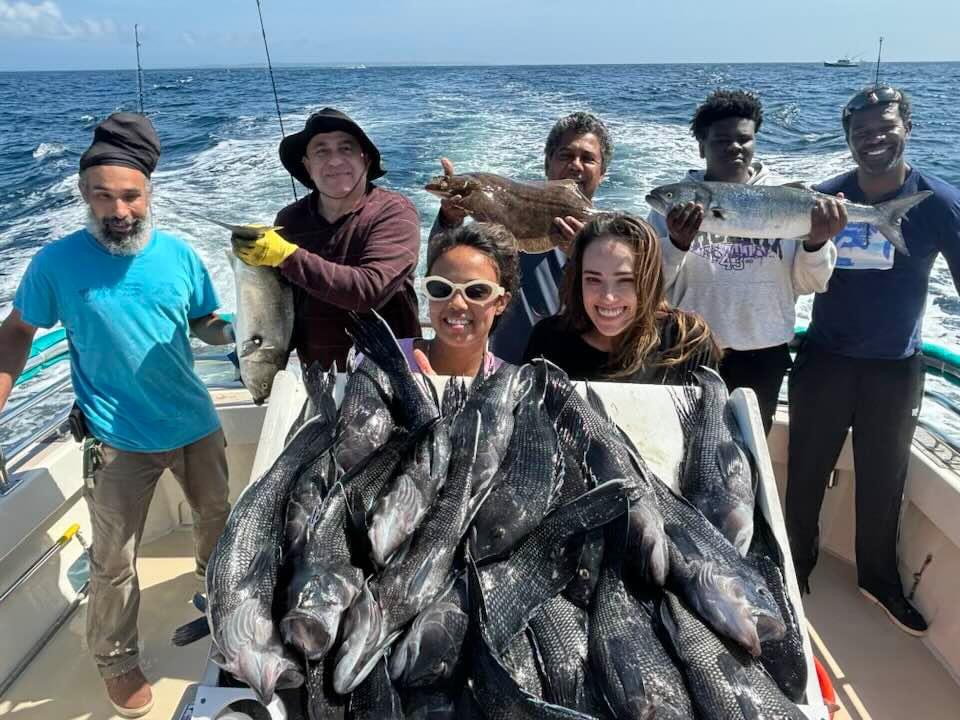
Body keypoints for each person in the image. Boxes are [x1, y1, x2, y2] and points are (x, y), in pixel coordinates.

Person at [0, 113, 234, 717]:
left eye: (129, 195)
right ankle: (115, 658)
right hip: (117, 438)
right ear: (83, 195)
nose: (118, 209)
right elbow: (16, 334)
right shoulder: (55, 264)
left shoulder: (180, 256)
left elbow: (205, 319)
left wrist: (232, 328)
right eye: (102, 195)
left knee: (218, 520)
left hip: (195, 422)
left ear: (150, 193)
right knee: (113, 560)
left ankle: (218, 598)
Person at [786, 85, 960, 637]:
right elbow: (792, 274)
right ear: (848, 140)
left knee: (885, 483)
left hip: (895, 369)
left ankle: (878, 579)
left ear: (907, 126)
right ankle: (791, 571)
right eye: (861, 132)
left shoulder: (938, 202)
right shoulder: (824, 199)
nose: (874, 140)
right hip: (825, 360)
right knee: (805, 476)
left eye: (885, 128)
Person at [648, 90, 845, 434]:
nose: (734, 147)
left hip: (763, 355)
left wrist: (817, 243)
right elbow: (651, 286)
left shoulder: (788, 202)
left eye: (744, 139)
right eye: (722, 139)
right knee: (680, 448)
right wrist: (677, 244)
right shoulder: (671, 207)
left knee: (747, 456)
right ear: (701, 146)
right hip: (686, 350)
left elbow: (810, 283)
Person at [231, 108, 421, 371]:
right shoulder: (290, 220)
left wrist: (287, 256)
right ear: (307, 166)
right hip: (320, 378)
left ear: (365, 160)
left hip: (393, 378)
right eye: (321, 151)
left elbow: (369, 292)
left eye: (346, 149)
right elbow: (286, 304)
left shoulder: (395, 212)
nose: (334, 161)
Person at [431, 111, 612, 363]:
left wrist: (583, 258)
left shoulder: (614, 243)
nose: (576, 165)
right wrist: (450, 218)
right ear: (547, 163)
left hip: (582, 373)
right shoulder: (498, 233)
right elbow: (443, 274)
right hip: (507, 370)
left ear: (603, 172)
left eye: (588, 159)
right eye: (566, 155)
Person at [524, 213, 720, 382]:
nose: (608, 297)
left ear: (650, 281)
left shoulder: (687, 342)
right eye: (593, 279)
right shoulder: (547, 339)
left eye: (626, 280)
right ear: (578, 281)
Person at [357, 223, 519, 378]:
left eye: (476, 291)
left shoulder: (518, 387)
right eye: (441, 288)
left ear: (501, 302)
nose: (457, 303)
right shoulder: (377, 365)